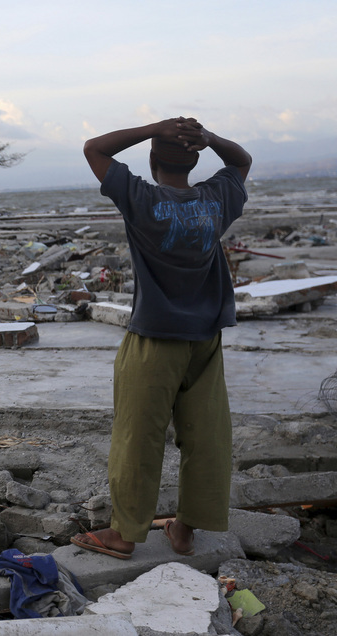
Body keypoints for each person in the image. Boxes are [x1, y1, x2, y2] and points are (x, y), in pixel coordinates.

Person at [71, 117, 252, 559]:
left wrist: (156, 127)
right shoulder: (216, 198)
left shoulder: (142, 199)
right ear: (195, 160)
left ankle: (124, 535)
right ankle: (185, 532)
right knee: (207, 436)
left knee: (138, 436)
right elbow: (242, 160)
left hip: (154, 338)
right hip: (205, 339)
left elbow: (95, 148)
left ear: (152, 160)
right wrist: (209, 140)